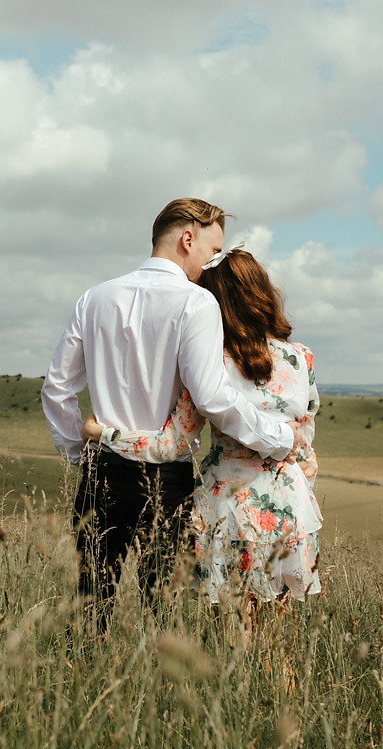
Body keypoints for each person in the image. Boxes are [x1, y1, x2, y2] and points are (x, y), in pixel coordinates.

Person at [42, 199, 300, 631]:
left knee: (89, 606)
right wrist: (278, 438)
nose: (210, 263)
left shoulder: (95, 298)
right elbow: (212, 399)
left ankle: (77, 685)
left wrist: (78, 454)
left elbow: (57, 388)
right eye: (212, 250)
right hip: (165, 484)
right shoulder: (197, 303)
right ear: (187, 239)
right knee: (158, 616)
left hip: (100, 471)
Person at [82, 249, 322, 605]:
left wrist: (103, 433)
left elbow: (170, 445)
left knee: (228, 640)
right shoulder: (302, 358)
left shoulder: (212, 365)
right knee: (273, 644)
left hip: (227, 509)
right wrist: (298, 499)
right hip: (292, 510)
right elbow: (304, 445)